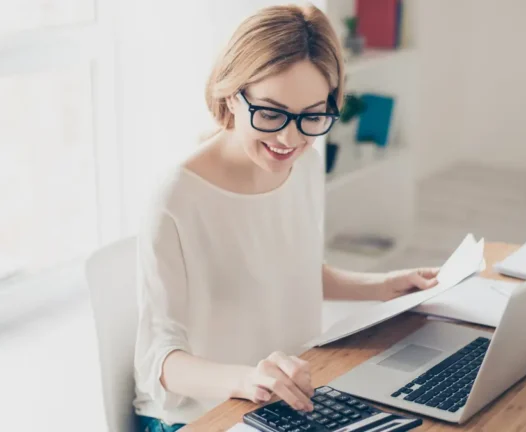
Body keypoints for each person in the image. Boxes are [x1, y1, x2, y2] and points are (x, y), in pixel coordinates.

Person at [132, 4, 438, 431]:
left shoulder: (306, 166)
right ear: (231, 93)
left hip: (289, 404)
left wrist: (383, 286)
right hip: (199, 417)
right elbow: (159, 361)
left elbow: (291, 270)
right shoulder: (178, 195)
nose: (289, 138)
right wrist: (247, 379)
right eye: (271, 113)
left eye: (312, 116)